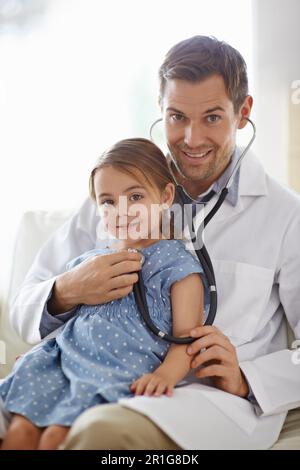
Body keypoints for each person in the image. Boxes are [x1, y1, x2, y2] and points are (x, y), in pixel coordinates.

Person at [3, 35, 300, 450]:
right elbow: (24, 304)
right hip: (93, 374)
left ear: (243, 112)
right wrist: (67, 290)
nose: (192, 139)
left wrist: (247, 377)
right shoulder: (116, 195)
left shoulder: (286, 216)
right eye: (177, 116)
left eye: (212, 117)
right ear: (160, 108)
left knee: (98, 433)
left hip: (206, 401)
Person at [0, 138, 207, 450]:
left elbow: (187, 339)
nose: (120, 211)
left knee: (57, 437)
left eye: (135, 196)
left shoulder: (179, 269)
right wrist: (40, 350)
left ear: (165, 196)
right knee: (19, 434)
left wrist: (166, 374)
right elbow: (72, 323)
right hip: (58, 363)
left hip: (113, 370)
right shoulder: (90, 262)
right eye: (108, 202)